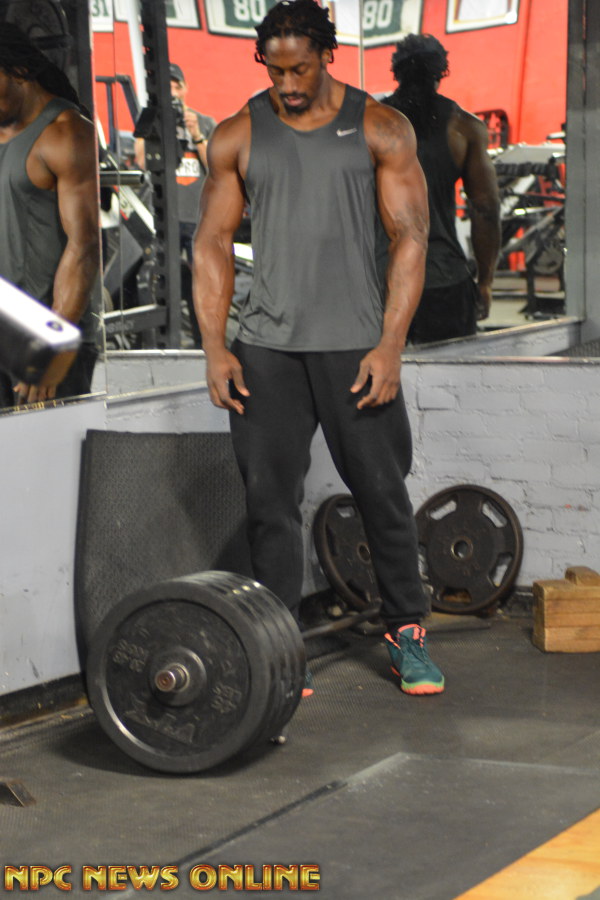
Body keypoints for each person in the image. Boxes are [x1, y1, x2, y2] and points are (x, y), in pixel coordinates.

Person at [193, 1, 444, 697]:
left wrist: (390, 344)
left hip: (354, 345)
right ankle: (281, 648)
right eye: (275, 70)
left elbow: (411, 237)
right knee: (269, 502)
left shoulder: (379, 127)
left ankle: (407, 631)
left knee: (381, 493)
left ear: (327, 55)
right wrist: (215, 347)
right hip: (267, 348)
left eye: (299, 69)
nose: (287, 84)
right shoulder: (238, 134)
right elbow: (211, 242)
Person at [0, 24, 101, 407]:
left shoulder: (65, 132)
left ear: (19, 71)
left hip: (41, 339)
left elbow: (84, 244)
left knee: (46, 447)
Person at [382, 33, 501, 344]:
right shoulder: (464, 127)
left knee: (375, 373)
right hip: (443, 281)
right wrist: (485, 281)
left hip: (380, 280)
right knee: (450, 371)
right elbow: (486, 209)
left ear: (397, 72)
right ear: (440, 72)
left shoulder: (371, 122)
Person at [135, 64, 216, 348]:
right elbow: (142, 161)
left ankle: (205, 343)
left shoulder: (204, 121)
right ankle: (163, 344)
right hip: (163, 218)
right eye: (166, 87)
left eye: (176, 86)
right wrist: (161, 130)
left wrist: (196, 134)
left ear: (185, 89)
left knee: (203, 284)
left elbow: (216, 167)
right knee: (162, 282)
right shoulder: (150, 120)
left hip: (197, 218)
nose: (173, 93)